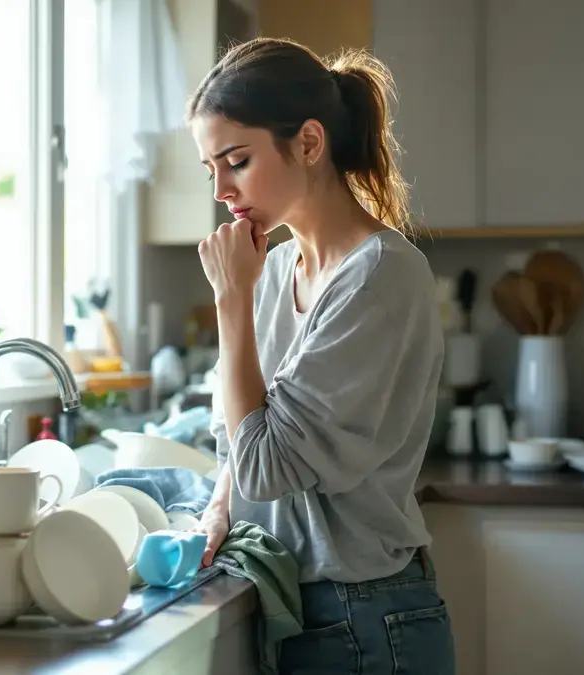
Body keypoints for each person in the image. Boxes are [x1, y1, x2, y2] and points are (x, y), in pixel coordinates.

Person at [189, 38, 457, 674]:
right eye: (210, 169)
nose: (222, 189)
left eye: (237, 160)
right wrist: (217, 510)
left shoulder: (378, 277)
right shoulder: (273, 268)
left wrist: (230, 301)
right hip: (299, 603)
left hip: (365, 617)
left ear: (309, 143)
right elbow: (237, 442)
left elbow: (265, 468)